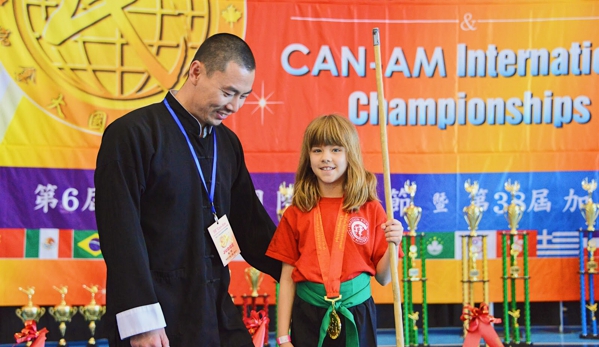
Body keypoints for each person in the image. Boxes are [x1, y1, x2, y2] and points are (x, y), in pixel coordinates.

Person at [94, 33, 281, 347]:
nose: (235, 106)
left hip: (216, 309)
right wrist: (143, 323)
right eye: (228, 92)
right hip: (158, 319)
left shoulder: (227, 144)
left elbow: (251, 226)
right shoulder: (132, 135)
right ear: (196, 72)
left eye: (244, 96)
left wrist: (304, 271)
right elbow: (120, 234)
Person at [266, 114, 404, 347]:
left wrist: (395, 243)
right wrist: (282, 337)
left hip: (357, 313)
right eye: (317, 150)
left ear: (350, 154)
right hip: (308, 314)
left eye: (336, 150)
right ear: (307, 157)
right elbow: (287, 279)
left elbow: (383, 278)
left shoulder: (371, 209)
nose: (326, 158)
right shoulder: (296, 212)